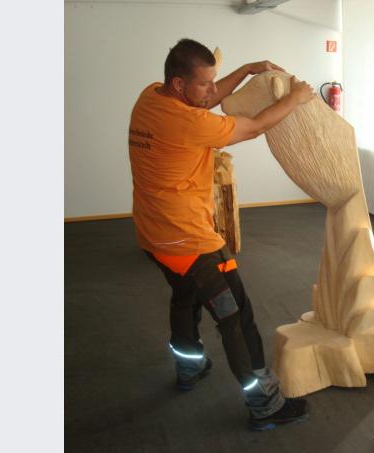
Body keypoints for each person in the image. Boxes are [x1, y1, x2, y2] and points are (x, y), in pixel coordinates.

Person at [128, 38, 314, 430]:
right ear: (179, 85)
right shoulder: (187, 122)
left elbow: (204, 102)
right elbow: (255, 127)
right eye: (206, 83)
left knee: (184, 298)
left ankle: (189, 368)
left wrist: (245, 70)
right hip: (193, 244)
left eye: (215, 81)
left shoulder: (151, 97)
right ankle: (266, 404)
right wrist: (296, 97)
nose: (214, 91)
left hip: (154, 237)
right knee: (238, 320)